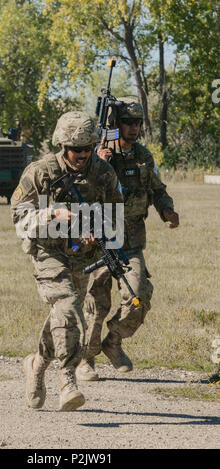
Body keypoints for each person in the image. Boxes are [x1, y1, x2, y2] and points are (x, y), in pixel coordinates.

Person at [11, 111, 123, 411]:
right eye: (76, 149)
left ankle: (37, 363)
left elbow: (115, 219)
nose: (83, 155)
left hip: (80, 256)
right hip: (47, 252)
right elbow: (19, 219)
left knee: (63, 314)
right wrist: (52, 214)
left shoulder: (104, 174)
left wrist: (97, 235)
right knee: (69, 305)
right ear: (63, 146)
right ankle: (67, 380)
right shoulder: (41, 172)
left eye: (88, 148)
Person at [76, 98, 179, 381]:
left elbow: (158, 189)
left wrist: (167, 209)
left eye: (137, 123)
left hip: (131, 241)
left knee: (139, 296)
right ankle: (86, 358)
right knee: (96, 303)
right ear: (115, 124)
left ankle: (114, 341)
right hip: (100, 240)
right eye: (127, 122)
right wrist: (99, 164)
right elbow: (81, 190)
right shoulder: (98, 157)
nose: (133, 128)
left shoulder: (144, 156)